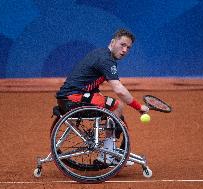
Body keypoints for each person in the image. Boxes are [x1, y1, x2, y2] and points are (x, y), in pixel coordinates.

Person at [56, 29, 149, 166]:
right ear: (113, 42)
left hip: (72, 97)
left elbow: (89, 85)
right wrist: (139, 107)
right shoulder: (106, 60)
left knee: (111, 107)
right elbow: (119, 90)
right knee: (116, 105)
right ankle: (107, 155)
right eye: (122, 45)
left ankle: (110, 151)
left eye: (128, 48)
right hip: (73, 99)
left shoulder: (102, 54)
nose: (125, 50)